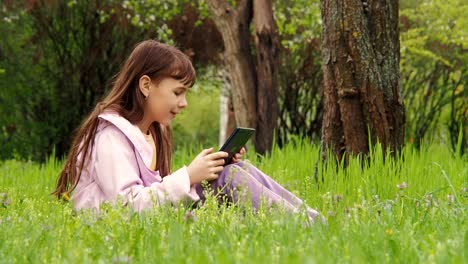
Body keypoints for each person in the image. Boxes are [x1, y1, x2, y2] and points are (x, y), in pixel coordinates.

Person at [53, 40, 320, 223]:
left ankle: (308, 217)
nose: (184, 103)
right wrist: (190, 176)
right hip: (113, 224)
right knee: (226, 177)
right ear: (146, 85)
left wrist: (202, 174)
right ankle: (303, 224)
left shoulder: (152, 132)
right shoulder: (111, 138)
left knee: (235, 171)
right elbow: (125, 208)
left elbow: (155, 192)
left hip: (150, 219)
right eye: (177, 92)